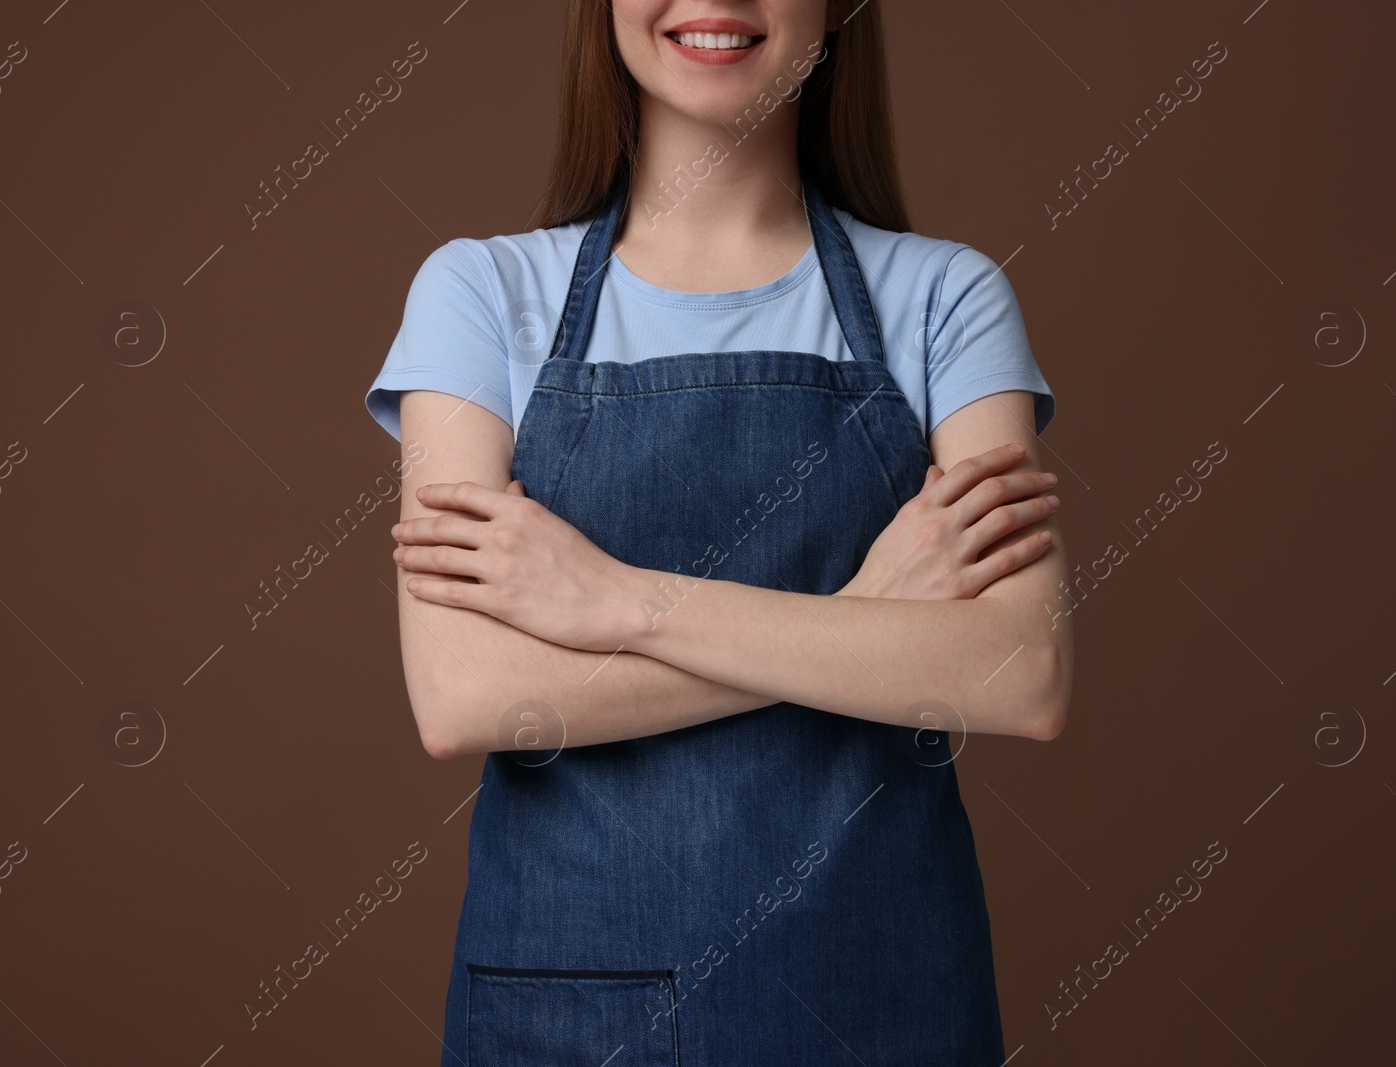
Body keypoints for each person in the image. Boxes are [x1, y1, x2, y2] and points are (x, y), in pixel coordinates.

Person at [365, 2, 1074, 1062]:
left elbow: (1022, 675)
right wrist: (861, 623)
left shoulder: (946, 299)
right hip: (574, 1005)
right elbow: (464, 694)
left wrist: (615, 602)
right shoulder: (478, 293)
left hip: (881, 990)